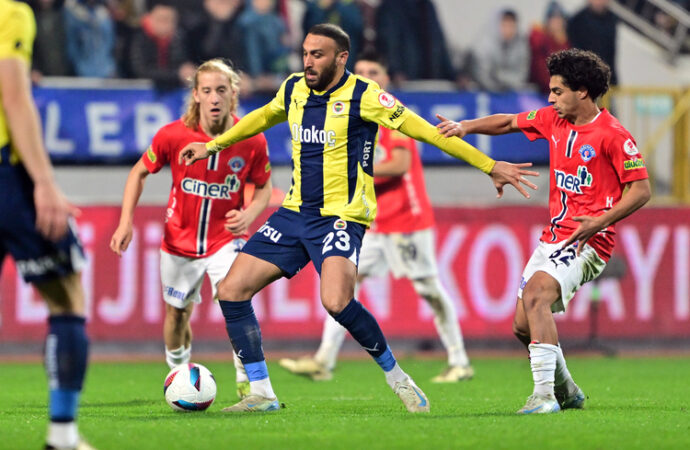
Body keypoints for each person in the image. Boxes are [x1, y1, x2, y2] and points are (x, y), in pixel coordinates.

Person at [179, 23, 537, 414]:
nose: (308, 62)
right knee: (231, 290)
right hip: (295, 213)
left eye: (318, 54)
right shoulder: (294, 87)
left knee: (336, 301)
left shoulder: (367, 97)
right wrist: (213, 145)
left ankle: (397, 377)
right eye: (305, 53)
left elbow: (429, 135)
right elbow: (263, 116)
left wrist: (488, 166)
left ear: (341, 58)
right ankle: (261, 392)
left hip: (342, 217)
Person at [436, 48, 651, 414]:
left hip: (588, 239)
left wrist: (601, 221)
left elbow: (642, 190)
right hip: (553, 237)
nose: (550, 98)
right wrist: (464, 127)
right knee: (523, 326)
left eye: (557, 91)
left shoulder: (613, 135)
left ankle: (543, 397)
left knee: (536, 296)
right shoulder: (553, 119)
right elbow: (508, 123)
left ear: (582, 91)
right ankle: (567, 391)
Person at [278, 51, 474, 383]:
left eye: (374, 70)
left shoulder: (390, 112)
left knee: (429, 289)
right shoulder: (352, 111)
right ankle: (324, 360)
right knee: (342, 285)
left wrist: (354, 170)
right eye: (363, 70)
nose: (367, 75)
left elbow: (399, 164)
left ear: (385, 78)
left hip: (406, 222)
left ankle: (459, 361)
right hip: (374, 223)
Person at [110, 59, 273, 398]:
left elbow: (264, 186)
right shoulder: (173, 135)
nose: (215, 98)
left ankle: (248, 384)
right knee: (177, 315)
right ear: (196, 95)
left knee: (235, 300)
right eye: (208, 91)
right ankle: (179, 376)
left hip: (225, 239)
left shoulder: (251, 140)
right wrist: (126, 221)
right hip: (178, 242)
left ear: (233, 95)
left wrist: (251, 213)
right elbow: (138, 172)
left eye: (222, 90)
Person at [0, 2, 92, 448]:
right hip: (6, 175)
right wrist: (44, 183)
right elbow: (13, 97)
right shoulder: (10, 12)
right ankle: (63, 435)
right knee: (66, 294)